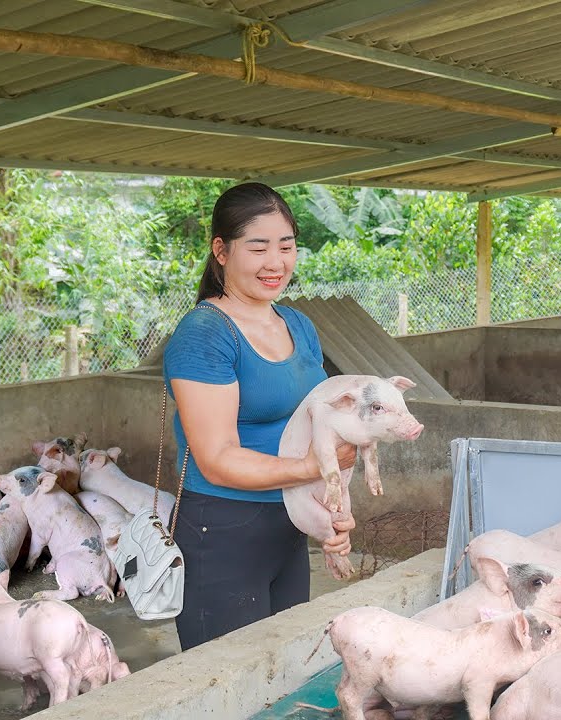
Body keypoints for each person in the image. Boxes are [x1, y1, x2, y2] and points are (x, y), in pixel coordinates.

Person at [161, 182, 356, 652]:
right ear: (221, 251)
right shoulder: (205, 333)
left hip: (288, 522)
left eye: (286, 246)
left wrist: (332, 508)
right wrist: (315, 468)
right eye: (259, 247)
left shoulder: (298, 325)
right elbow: (217, 457)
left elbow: (315, 427)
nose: (276, 262)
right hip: (223, 527)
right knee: (225, 679)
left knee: (281, 672)